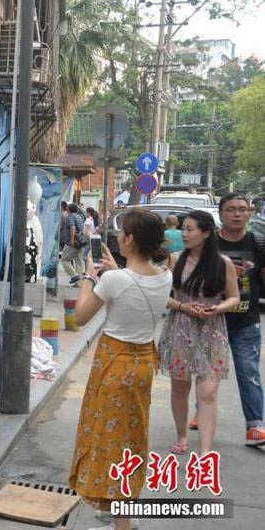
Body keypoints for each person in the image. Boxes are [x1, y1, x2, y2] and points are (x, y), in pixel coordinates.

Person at [69, 208, 173, 530]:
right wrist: (115, 271)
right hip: (142, 364)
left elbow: (80, 317)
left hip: (113, 366)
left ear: (129, 240)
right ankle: (119, 512)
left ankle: (121, 523)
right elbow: (135, 286)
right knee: (129, 438)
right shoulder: (165, 275)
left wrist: (88, 277)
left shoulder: (114, 280)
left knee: (109, 441)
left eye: (121, 233)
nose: (117, 237)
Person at [158, 210, 239, 456]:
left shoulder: (222, 262)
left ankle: (205, 451)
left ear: (205, 233)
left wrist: (218, 308)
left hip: (212, 331)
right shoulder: (174, 260)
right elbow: (162, 295)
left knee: (209, 392)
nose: (184, 234)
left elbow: (234, 297)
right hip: (180, 328)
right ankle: (182, 434)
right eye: (183, 229)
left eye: (190, 229)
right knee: (180, 388)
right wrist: (183, 306)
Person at [212, 194, 265, 447]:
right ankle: (202, 411)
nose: (237, 214)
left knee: (249, 373)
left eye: (242, 209)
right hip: (211, 320)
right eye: (231, 209)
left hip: (246, 320)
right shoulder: (208, 242)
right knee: (207, 374)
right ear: (221, 213)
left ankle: (255, 426)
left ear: (249, 213)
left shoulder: (259, 242)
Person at [60, 203, 85, 285]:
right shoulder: (80, 217)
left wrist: (71, 240)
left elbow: (72, 227)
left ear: (69, 210)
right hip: (81, 242)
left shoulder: (70, 217)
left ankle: (74, 276)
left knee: (64, 260)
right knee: (79, 262)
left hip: (73, 242)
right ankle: (79, 283)